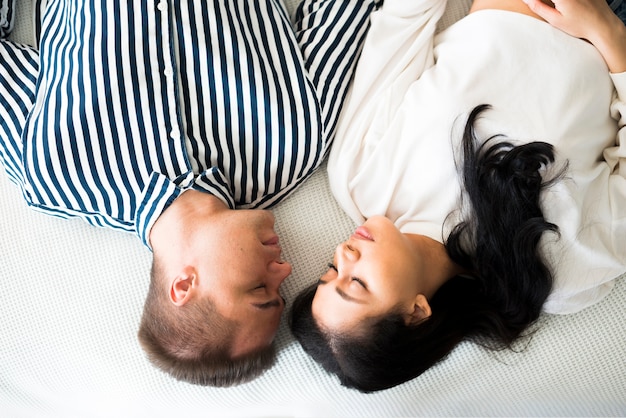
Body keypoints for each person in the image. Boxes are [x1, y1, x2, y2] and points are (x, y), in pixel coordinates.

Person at [0, 0, 382, 386]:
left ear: (183, 284)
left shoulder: (53, 172)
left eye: (259, 289)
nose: (285, 270)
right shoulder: (295, 142)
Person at [289, 0, 626, 392]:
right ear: (417, 312)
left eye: (330, 273)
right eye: (357, 283)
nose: (344, 256)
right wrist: (607, 31)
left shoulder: (357, 175)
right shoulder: (554, 275)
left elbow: (402, 23)